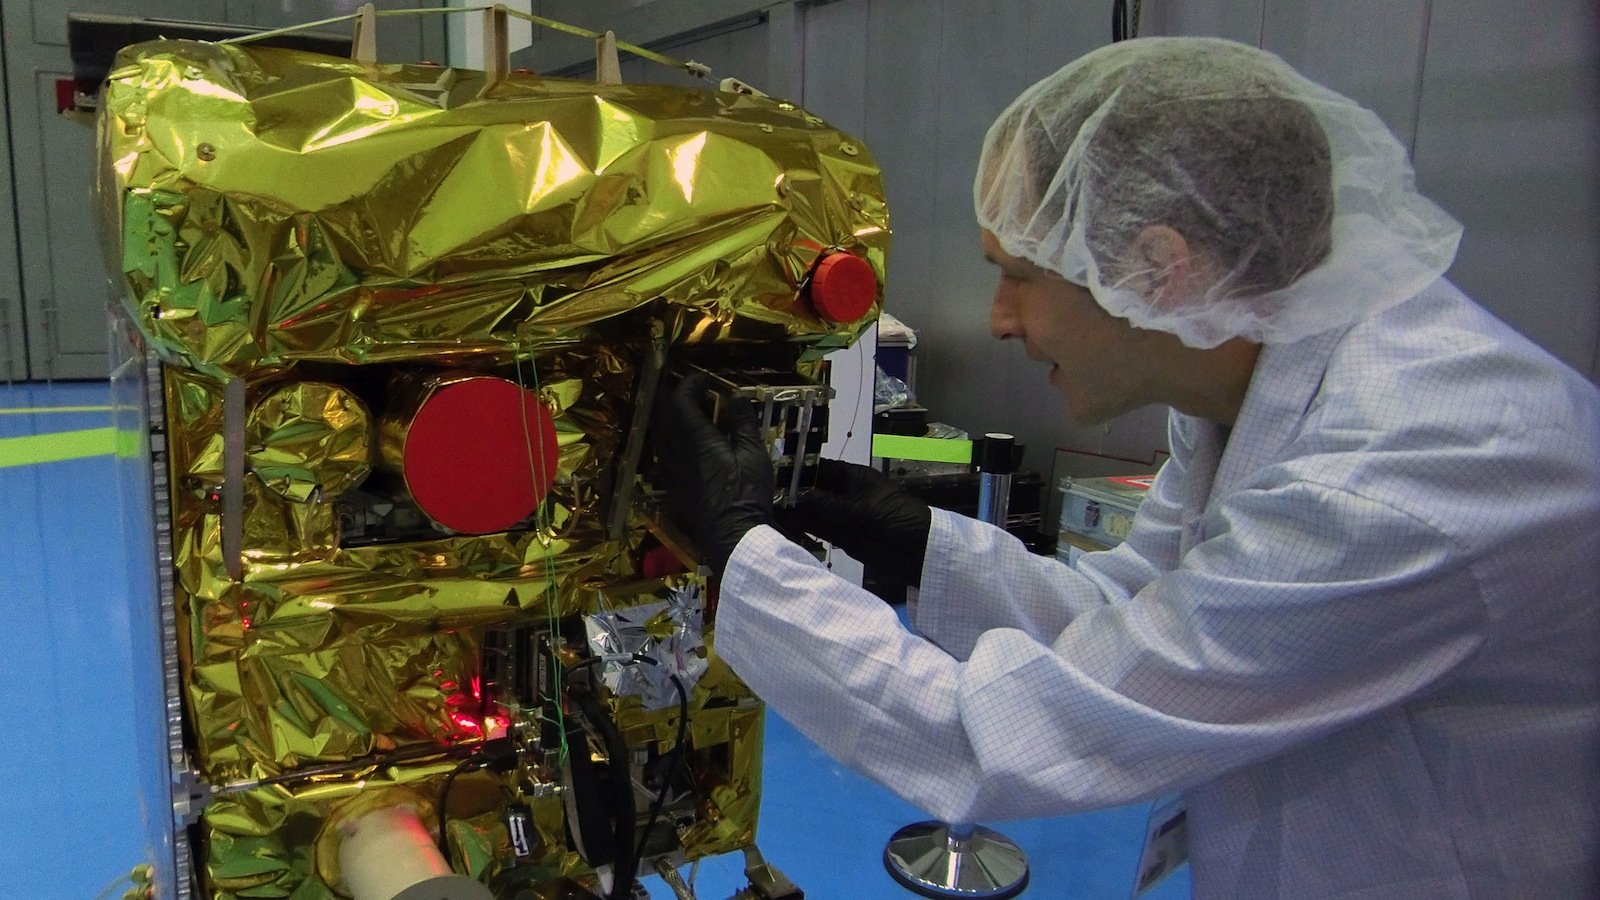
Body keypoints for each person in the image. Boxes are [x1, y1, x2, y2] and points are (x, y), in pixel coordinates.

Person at [651, 37, 1600, 898]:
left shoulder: (1398, 476)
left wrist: (744, 554)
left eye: (1018, 275)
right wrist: (921, 546)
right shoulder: (1246, 380)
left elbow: (1000, 735)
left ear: (1158, 266)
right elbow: (1138, 614)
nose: (998, 320)